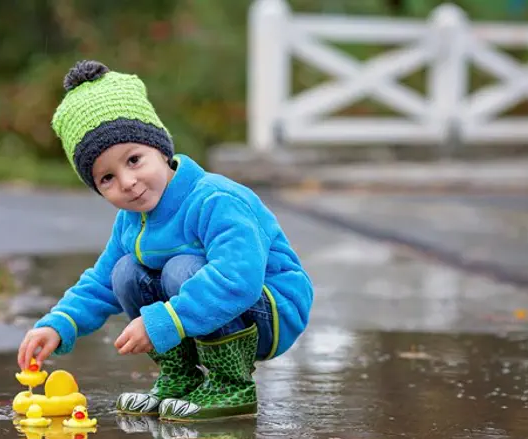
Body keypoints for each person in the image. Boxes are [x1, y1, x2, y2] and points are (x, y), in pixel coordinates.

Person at [17, 60, 313, 422]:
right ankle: (181, 376)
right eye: (107, 178)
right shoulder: (131, 221)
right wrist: (57, 323)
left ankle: (231, 382)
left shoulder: (214, 199)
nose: (127, 182)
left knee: (180, 268)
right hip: (199, 311)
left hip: (269, 308)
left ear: (161, 148)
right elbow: (100, 281)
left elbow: (239, 276)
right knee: (125, 271)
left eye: (135, 159)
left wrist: (165, 320)